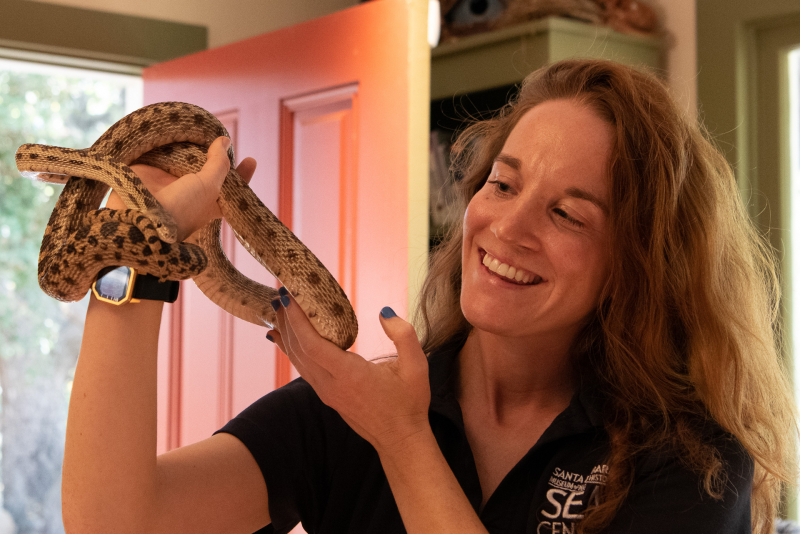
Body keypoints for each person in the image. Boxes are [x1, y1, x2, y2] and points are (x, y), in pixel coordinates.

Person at [61, 59, 796, 534]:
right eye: (502, 185)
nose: (507, 226)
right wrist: (140, 250)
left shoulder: (687, 460)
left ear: (638, 263)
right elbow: (113, 521)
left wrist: (404, 441)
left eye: (567, 214)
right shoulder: (348, 413)